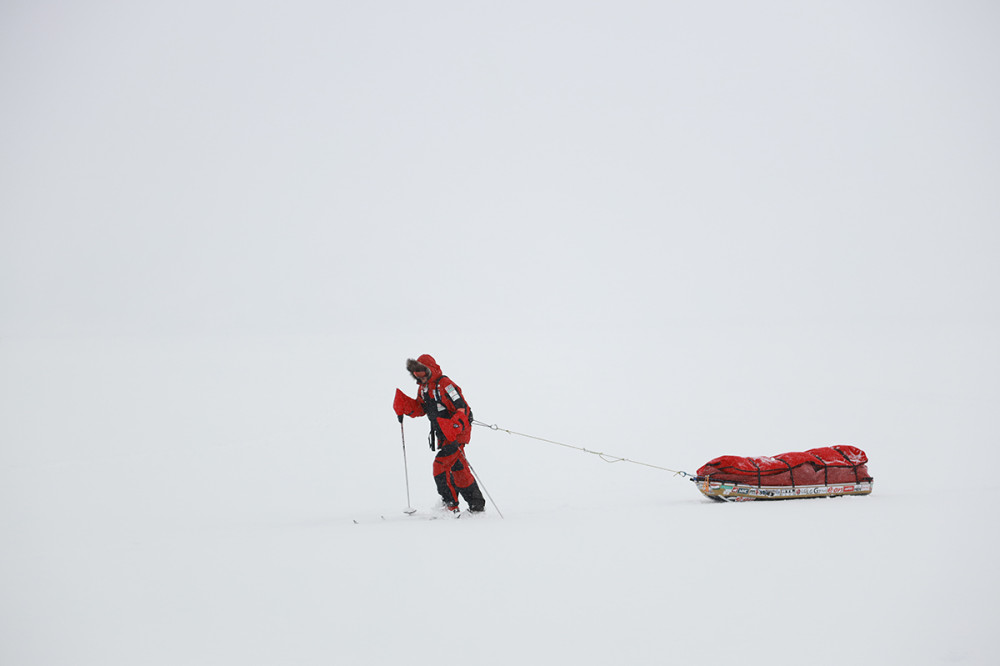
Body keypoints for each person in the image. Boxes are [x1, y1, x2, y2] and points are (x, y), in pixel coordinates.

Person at [393, 354, 485, 513]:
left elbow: (461, 407)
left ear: (430, 370)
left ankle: (451, 506)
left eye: (422, 372)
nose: (419, 376)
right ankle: (476, 506)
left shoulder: (445, 385)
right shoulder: (424, 388)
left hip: (456, 434)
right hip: (443, 435)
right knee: (458, 469)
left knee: (440, 467)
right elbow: (421, 408)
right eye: (415, 373)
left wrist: (454, 428)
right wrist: (404, 405)